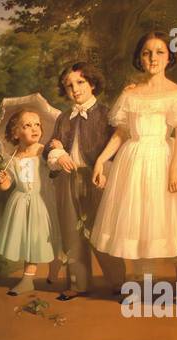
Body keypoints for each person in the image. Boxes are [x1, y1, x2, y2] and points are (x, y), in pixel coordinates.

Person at [90, 33, 177, 290]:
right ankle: (142, 282)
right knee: (137, 221)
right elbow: (121, 133)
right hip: (132, 160)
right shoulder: (130, 93)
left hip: (162, 159)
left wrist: (173, 170)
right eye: (147, 52)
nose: (153, 58)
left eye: (160, 52)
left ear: (169, 57)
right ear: (139, 57)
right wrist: (100, 161)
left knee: (163, 219)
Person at [45, 61, 124, 299]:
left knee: (101, 229)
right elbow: (51, 146)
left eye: (80, 82)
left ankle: (119, 282)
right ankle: (78, 283)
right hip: (68, 179)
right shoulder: (63, 118)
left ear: (92, 83)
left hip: (97, 177)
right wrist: (57, 154)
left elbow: (118, 148)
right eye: (69, 85)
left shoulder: (107, 114)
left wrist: (106, 170)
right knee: (71, 230)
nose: (75, 89)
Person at [0, 110, 60, 295]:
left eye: (37, 124)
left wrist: (57, 152)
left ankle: (55, 268)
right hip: (22, 201)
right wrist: (3, 179)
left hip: (42, 200)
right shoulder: (13, 158)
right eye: (27, 125)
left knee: (48, 238)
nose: (34, 128)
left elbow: (56, 169)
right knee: (31, 240)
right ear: (16, 133)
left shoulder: (44, 151)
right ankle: (27, 280)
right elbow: (8, 186)